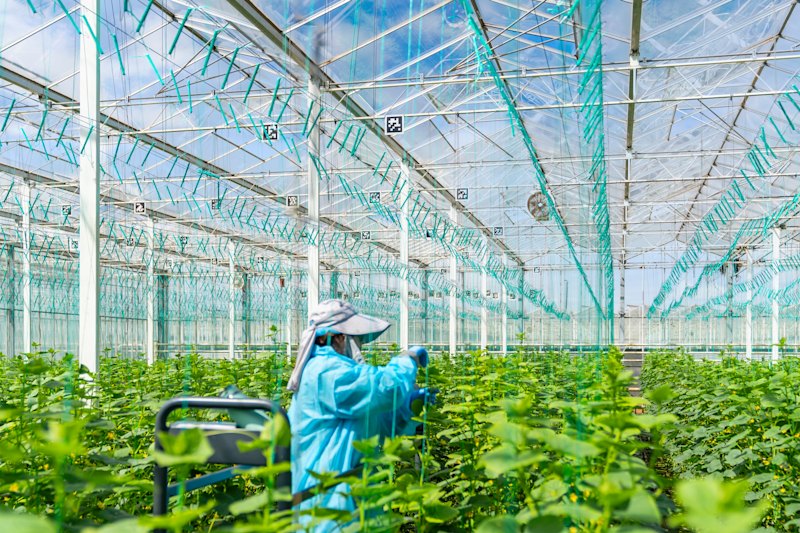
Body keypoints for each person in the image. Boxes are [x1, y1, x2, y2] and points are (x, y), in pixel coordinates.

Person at [286, 299, 433, 532]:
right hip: (327, 502)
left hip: (354, 492)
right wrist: (406, 360)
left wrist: (407, 405)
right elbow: (386, 387)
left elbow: (377, 424)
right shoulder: (326, 372)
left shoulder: (337, 372)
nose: (359, 345)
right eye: (354, 339)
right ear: (336, 337)